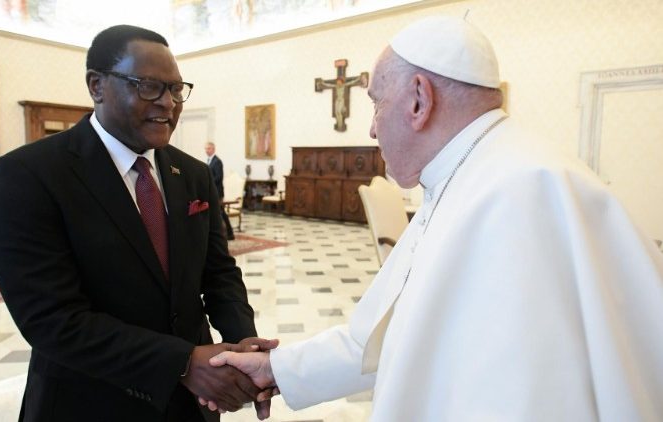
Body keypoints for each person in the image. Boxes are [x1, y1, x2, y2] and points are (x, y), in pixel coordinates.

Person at [208, 15, 663, 421]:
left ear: (419, 101)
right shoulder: (473, 174)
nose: (371, 127)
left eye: (377, 102)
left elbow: (525, 398)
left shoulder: (518, 196)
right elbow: (397, 338)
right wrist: (276, 369)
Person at [0, 25, 276, 422]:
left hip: (194, 406)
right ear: (97, 85)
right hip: (91, 401)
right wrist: (181, 363)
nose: (168, 103)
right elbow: (52, 320)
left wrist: (244, 348)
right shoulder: (29, 175)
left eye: (176, 89)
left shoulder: (191, 173)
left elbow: (218, 272)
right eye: (149, 87)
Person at [205, 141, 235, 240]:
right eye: (205, 148)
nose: (206, 150)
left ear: (213, 149)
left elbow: (218, 177)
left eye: (208, 148)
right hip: (212, 191)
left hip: (217, 192)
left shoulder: (217, 161)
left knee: (221, 212)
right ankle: (219, 233)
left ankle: (230, 233)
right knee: (218, 212)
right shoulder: (209, 160)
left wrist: (208, 182)